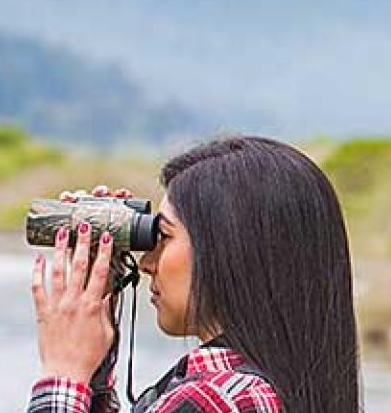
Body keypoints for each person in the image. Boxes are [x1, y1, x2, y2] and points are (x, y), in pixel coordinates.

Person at [27, 136, 361, 413]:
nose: (145, 263)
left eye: (165, 236)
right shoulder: (260, 385)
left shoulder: (218, 399)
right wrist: (92, 367)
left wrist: (63, 374)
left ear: (226, 249)